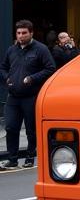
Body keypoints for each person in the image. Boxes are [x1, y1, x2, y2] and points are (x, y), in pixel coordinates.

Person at [1, 20, 56, 170]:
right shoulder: (11, 50)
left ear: (31, 33)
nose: (21, 36)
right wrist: (7, 78)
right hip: (13, 96)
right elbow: (3, 67)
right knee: (11, 128)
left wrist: (32, 78)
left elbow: (50, 68)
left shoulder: (41, 49)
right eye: (18, 33)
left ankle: (30, 156)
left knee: (31, 129)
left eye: (24, 33)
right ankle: (12, 160)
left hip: (31, 96)